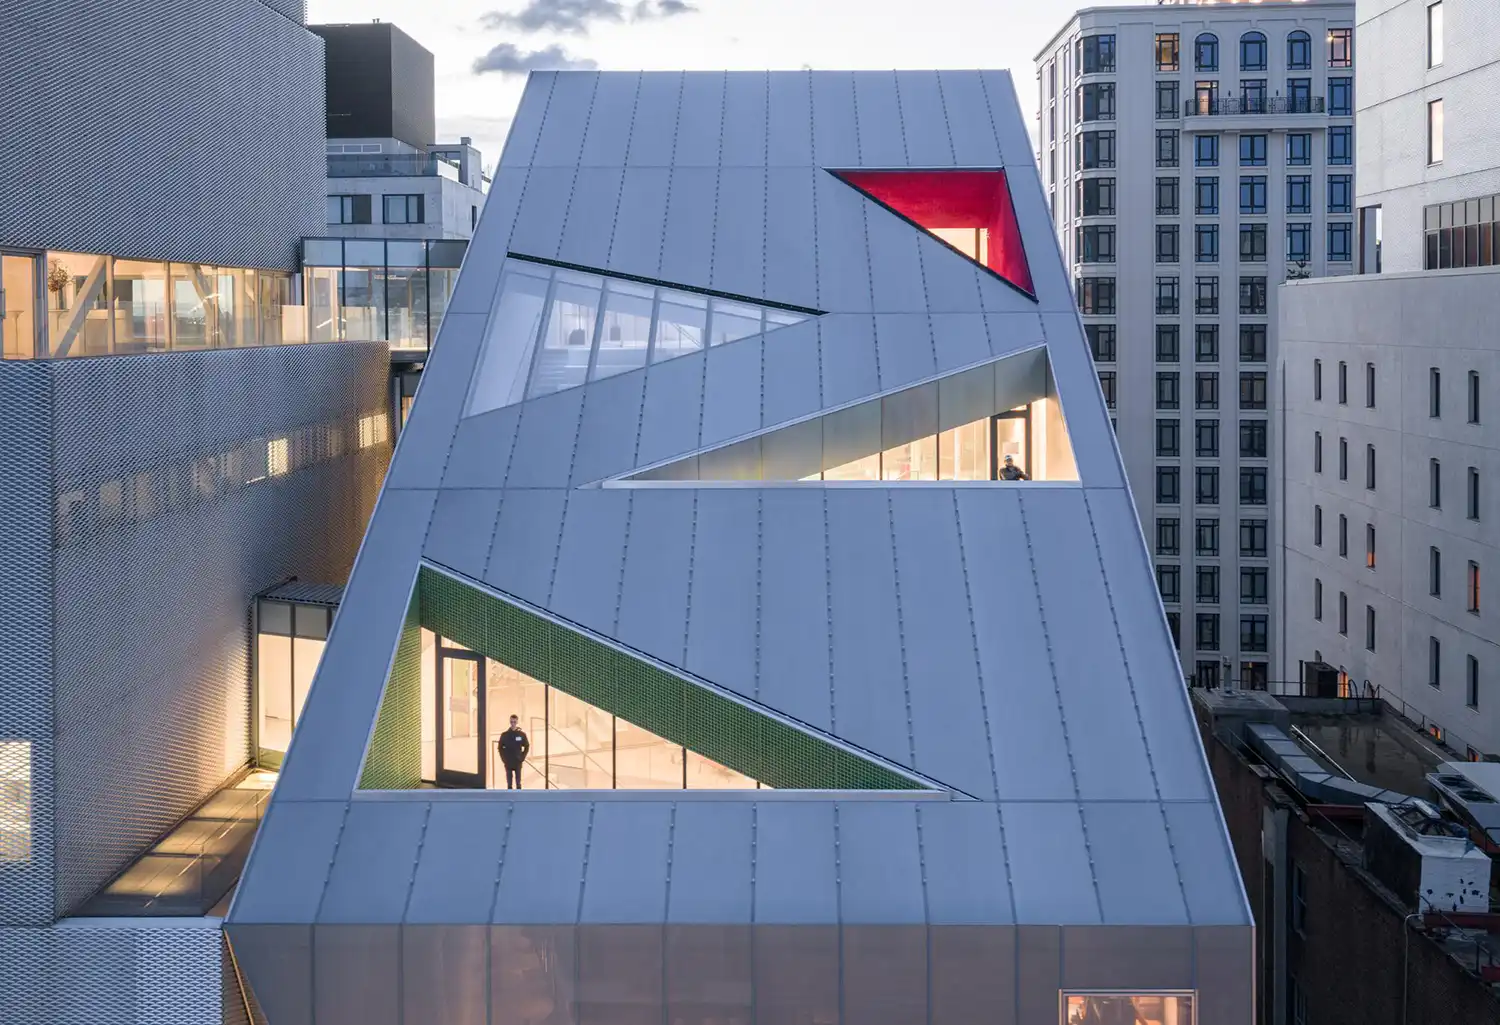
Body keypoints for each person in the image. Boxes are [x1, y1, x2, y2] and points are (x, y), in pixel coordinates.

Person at [497, 715, 530, 789]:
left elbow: (527, 746)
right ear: (510, 722)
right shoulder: (505, 735)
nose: (513, 723)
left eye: (514, 722)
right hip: (508, 761)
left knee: (518, 783)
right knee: (509, 784)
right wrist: (504, 759)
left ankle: (518, 797)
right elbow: (500, 748)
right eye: (511, 722)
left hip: (518, 761)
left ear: (517, 722)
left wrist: (522, 757)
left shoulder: (522, 735)